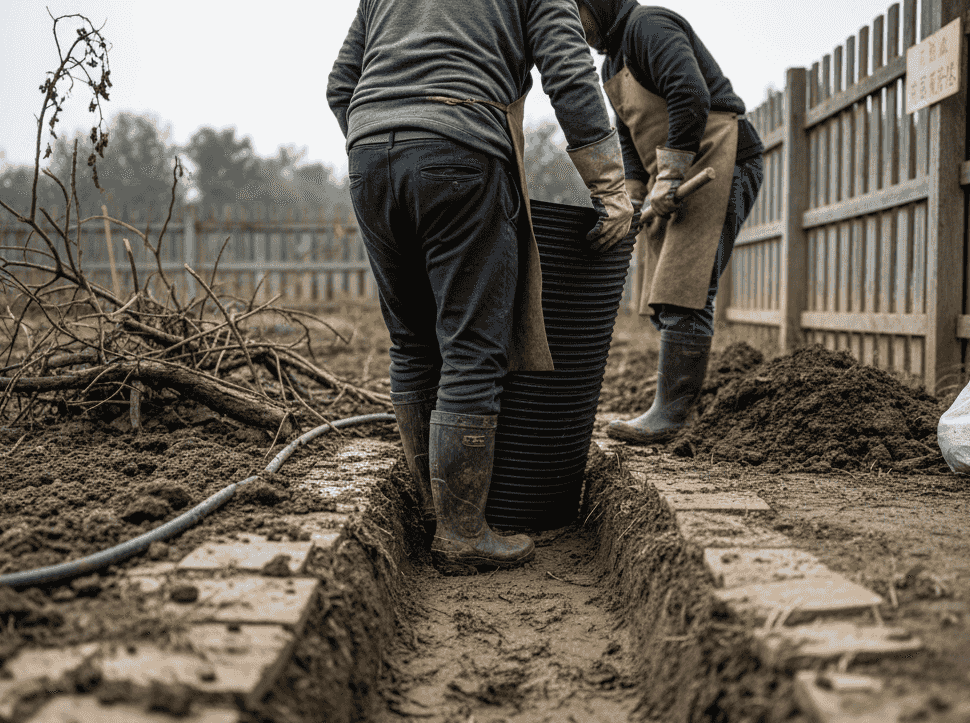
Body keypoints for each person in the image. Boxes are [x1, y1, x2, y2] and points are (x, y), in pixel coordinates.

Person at [327, 0, 633, 575]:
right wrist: (610, 187)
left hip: (368, 158)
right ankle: (463, 532)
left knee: (412, 341)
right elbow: (568, 68)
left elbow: (341, 84)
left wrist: (390, 140)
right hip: (461, 149)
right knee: (471, 346)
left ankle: (429, 510)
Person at [575, 0, 765, 444]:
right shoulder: (612, 64)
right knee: (662, 292)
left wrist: (673, 173)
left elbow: (690, 93)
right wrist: (635, 194)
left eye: (575, 13)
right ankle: (673, 404)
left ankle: (672, 415)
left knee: (685, 289)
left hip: (715, 161)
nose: (573, 27)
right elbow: (629, 135)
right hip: (672, 172)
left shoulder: (649, 26)